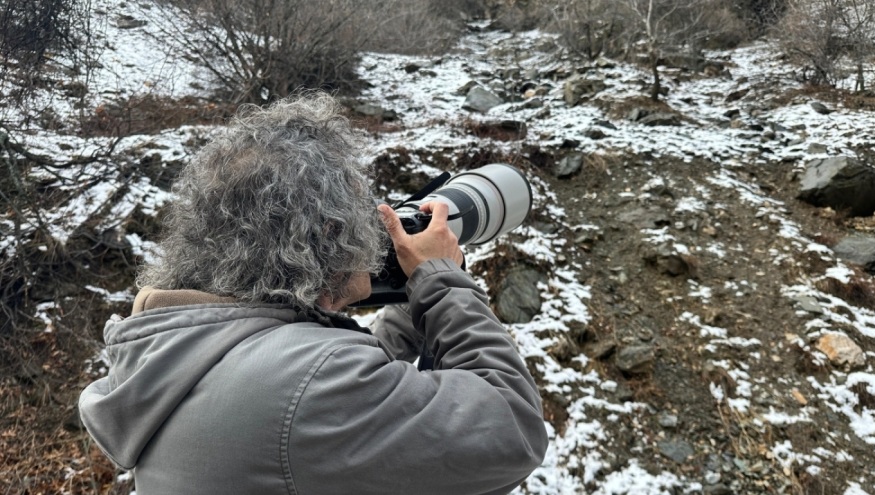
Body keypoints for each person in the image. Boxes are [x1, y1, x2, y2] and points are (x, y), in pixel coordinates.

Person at [79, 92, 548, 494]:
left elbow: (323, 390)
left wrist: (417, 288)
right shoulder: (308, 389)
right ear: (326, 233)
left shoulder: (179, 356)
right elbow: (512, 428)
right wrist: (444, 279)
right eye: (357, 214)